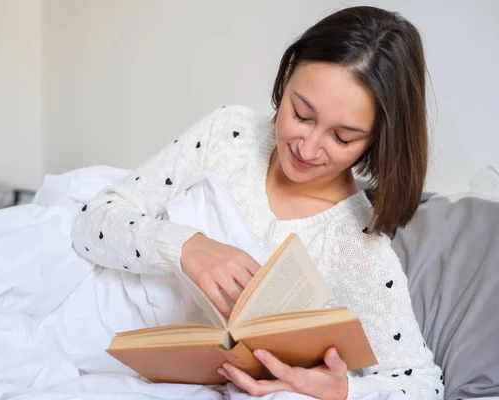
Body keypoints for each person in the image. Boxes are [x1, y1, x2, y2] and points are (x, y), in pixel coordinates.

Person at [71, 6, 443, 400]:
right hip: (101, 328)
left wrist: (346, 389)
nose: (308, 148)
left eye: (342, 138)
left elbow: (422, 382)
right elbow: (91, 224)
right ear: (287, 74)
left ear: (376, 139)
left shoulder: (359, 246)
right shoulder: (227, 134)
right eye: (301, 114)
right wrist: (187, 246)